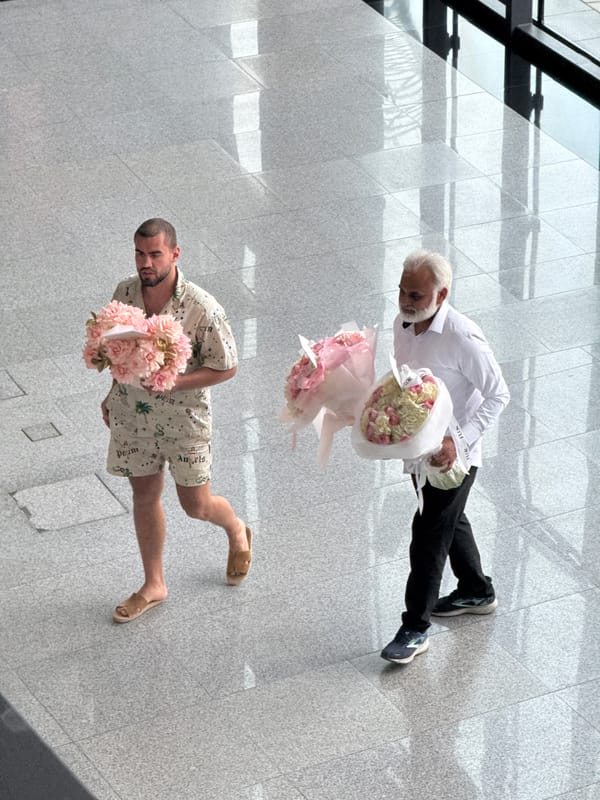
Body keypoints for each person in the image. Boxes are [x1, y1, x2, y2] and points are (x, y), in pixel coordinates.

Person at [101, 218, 251, 623]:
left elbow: (227, 366)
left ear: (175, 254)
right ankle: (154, 583)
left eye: (155, 254)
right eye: (139, 253)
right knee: (144, 495)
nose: (145, 262)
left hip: (186, 421)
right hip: (134, 415)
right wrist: (112, 394)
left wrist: (177, 381)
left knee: (196, 505)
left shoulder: (202, 308)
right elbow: (118, 351)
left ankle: (236, 528)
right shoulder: (125, 294)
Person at [380, 250, 509, 664]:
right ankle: (476, 590)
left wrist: (462, 443)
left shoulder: (462, 336)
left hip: (454, 457)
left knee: (429, 533)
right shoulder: (404, 322)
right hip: (419, 449)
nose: (406, 300)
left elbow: (499, 394)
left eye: (416, 294)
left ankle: (415, 628)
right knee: (449, 521)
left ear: (442, 293)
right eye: (402, 290)